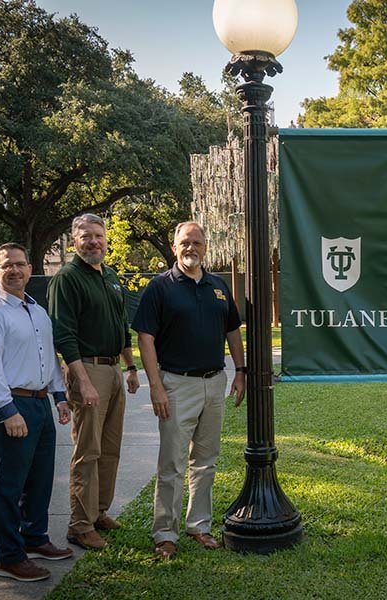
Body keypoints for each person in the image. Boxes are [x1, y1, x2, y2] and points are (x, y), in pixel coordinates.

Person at [132, 221, 246, 559]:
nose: (191, 248)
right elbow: (145, 338)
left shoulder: (218, 286)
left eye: (197, 242)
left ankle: (200, 526)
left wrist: (240, 371)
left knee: (206, 460)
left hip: (215, 382)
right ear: (174, 247)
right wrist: (156, 387)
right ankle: (165, 532)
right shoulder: (160, 288)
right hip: (176, 383)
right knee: (172, 462)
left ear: (205, 247)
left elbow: (233, 331)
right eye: (185, 242)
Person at [0, 243, 73, 582]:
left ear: (30, 269)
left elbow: (49, 358)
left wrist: (59, 396)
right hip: (13, 405)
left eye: (20, 264)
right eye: (6, 266)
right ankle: (10, 557)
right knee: (9, 485)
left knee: (40, 479)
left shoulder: (38, 311)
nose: (14, 271)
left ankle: (35, 538)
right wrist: (7, 411)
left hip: (41, 403)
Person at [47, 214, 140, 550]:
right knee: (88, 451)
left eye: (98, 236)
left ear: (106, 240)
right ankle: (80, 525)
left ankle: (99, 512)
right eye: (86, 236)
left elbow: (120, 324)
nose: (93, 242)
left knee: (110, 449)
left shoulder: (110, 276)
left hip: (113, 370)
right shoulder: (67, 278)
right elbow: (63, 333)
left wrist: (130, 367)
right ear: (75, 241)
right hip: (87, 370)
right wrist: (82, 381)